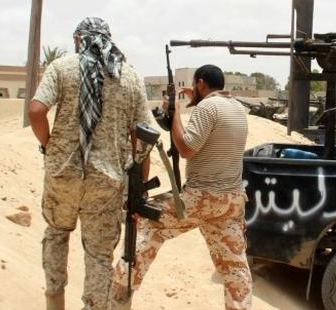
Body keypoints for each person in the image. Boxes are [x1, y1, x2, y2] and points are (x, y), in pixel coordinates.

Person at [28, 17, 153, 310]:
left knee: (57, 235)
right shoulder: (129, 76)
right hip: (106, 182)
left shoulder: (61, 67)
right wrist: (139, 190)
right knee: (98, 255)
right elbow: (144, 138)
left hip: (63, 175)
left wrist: (49, 146)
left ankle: (54, 302)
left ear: (78, 39)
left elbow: (36, 111)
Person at [110, 64, 252, 310]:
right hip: (232, 201)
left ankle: (117, 297)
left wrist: (174, 111)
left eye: (194, 86)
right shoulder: (238, 108)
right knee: (234, 266)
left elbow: (187, 148)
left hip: (201, 198)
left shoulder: (207, 107)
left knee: (146, 220)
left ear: (200, 83)